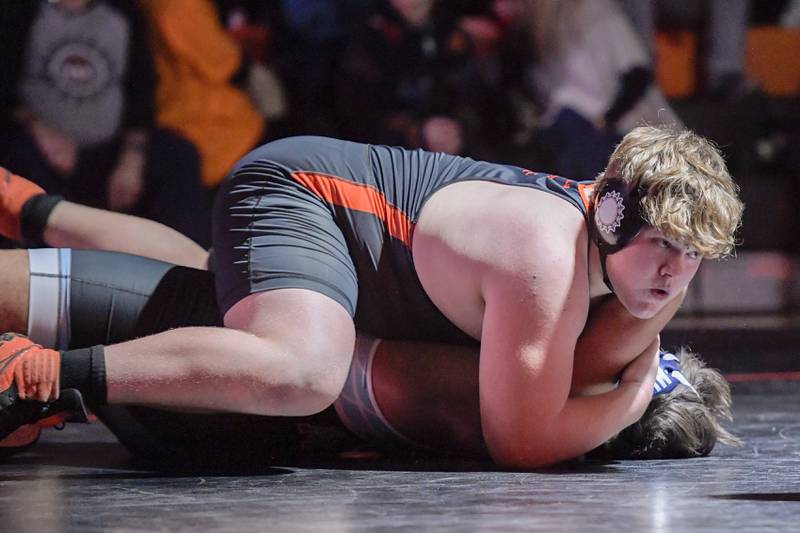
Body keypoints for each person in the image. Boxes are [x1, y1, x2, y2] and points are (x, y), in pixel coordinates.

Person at [0, 125, 743, 468]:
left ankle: (30, 209)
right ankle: (40, 378)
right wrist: (634, 393)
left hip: (344, 243)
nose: (675, 275)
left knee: (213, 289)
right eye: (666, 248)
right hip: (304, 196)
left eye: (696, 258)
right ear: (612, 215)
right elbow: (524, 440)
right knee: (302, 363)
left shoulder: (633, 267)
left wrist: (634, 370)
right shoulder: (546, 257)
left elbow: (591, 363)